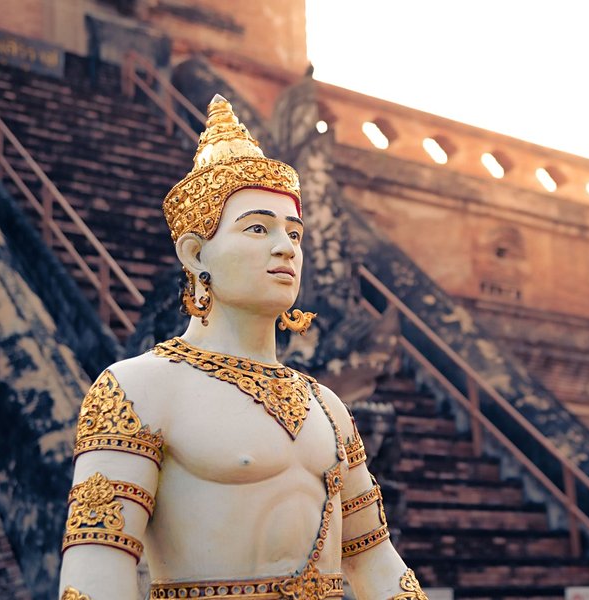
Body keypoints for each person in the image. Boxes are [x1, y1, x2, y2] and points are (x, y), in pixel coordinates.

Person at [57, 95, 428, 600]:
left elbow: (376, 562)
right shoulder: (137, 388)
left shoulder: (328, 407)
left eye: (294, 233)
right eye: (257, 228)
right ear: (195, 254)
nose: (286, 247)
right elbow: (96, 569)